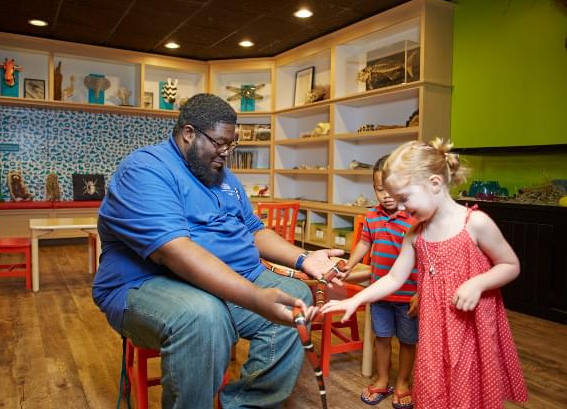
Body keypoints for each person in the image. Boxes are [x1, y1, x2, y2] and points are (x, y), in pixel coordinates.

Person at [92, 93, 343, 409]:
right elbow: (174, 252)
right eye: (220, 143)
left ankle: (245, 403)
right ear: (188, 133)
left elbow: (255, 231)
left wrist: (304, 257)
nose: (226, 153)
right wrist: (253, 297)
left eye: (231, 145)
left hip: (228, 280)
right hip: (145, 285)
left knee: (297, 297)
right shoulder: (145, 171)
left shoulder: (222, 176)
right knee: (203, 317)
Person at [321, 138, 528, 408]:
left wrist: (479, 283)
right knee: (433, 387)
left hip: (469, 327)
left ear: (434, 183)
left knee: (468, 387)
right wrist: (356, 299)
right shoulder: (415, 233)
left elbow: (510, 265)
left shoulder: (475, 223)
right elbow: (394, 278)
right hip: (433, 328)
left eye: (405, 199)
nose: (402, 208)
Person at [344, 155, 418, 409]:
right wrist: (350, 263)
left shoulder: (415, 218)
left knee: (408, 341)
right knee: (382, 338)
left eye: (391, 188)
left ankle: (403, 382)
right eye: (379, 189)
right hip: (379, 293)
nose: (386, 195)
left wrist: (421, 293)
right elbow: (365, 242)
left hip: (408, 295)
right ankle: (383, 379)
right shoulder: (372, 217)